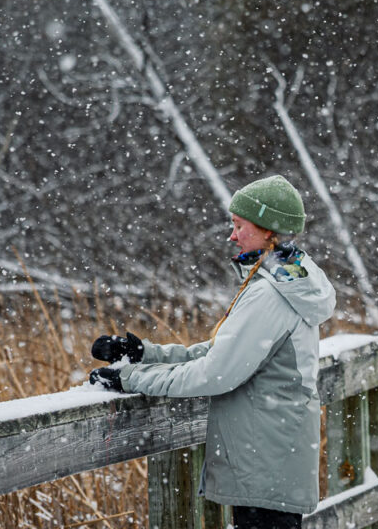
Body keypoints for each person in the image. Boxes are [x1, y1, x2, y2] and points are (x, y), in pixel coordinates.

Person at [88, 175, 336, 529]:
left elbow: (215, 373)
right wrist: (144, 353)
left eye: (239, 225)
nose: (232, 236)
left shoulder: (271, 295)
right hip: (271, 460)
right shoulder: (286, 281)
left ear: (268, 230)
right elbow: (221, 352)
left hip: (264, 465)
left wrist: (130, 378)